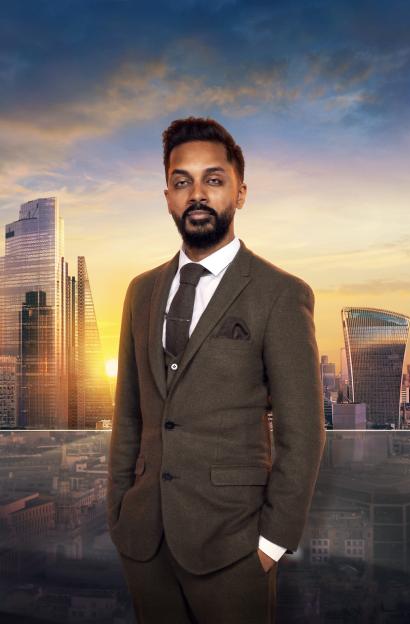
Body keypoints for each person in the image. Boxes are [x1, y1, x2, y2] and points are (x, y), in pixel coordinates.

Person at [107, 116, 326, 624]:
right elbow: (130, 414)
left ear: (240, 192)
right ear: (167, 196)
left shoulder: (280, 294)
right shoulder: (140, 292)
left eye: (213, 179)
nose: (197, 194)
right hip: (144, 540)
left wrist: (273, 542)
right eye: (182, 181)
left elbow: (304, 433)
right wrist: (119, 509)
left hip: (235, 546)